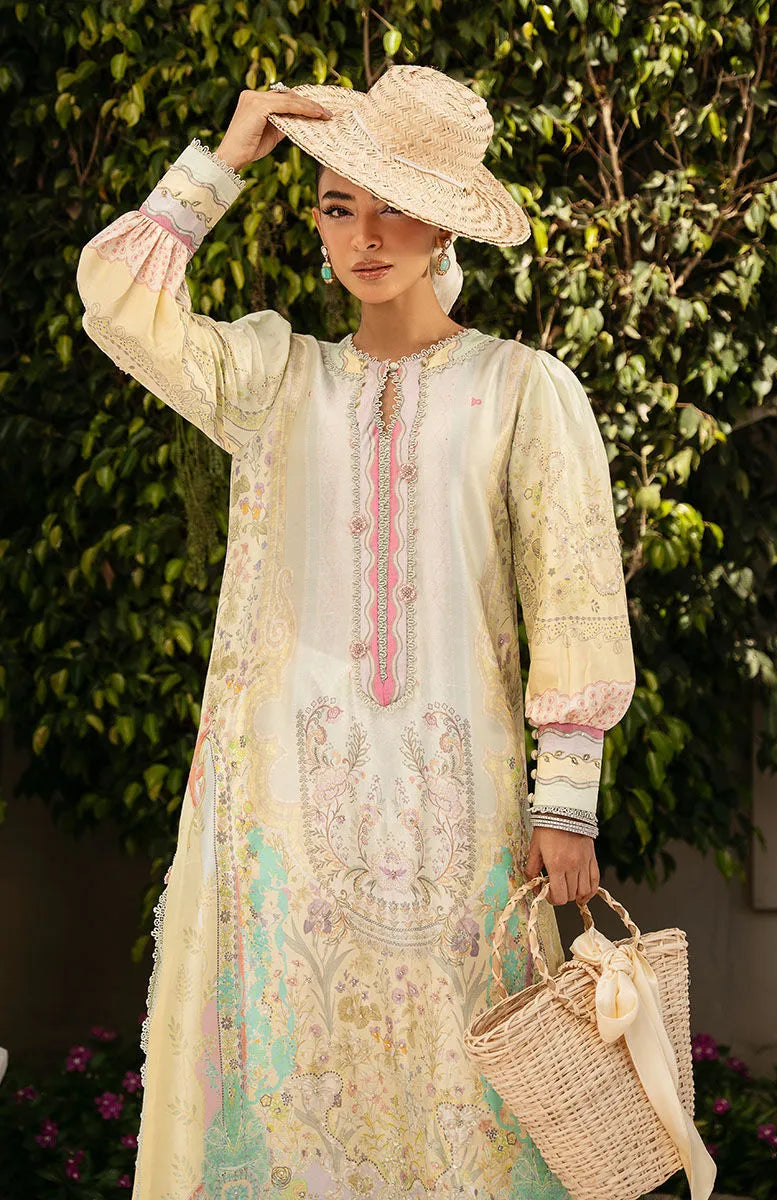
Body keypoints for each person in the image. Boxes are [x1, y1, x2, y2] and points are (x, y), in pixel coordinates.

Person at [76, 64, 635, 1200]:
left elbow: (572, 592)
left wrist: (566, 799)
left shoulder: (521, 390)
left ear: (444, 226)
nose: (365, 237)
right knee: (297, 1095)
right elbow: (118, 304)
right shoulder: (274, 380)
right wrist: (223, 162)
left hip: (463, 819)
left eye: (395, 208)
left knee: (464, 1099)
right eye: (339, 207)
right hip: (285, 821)